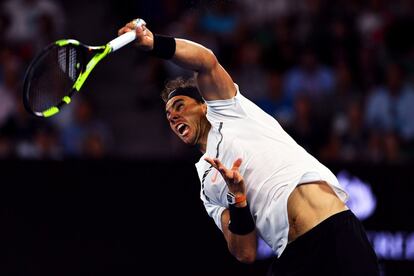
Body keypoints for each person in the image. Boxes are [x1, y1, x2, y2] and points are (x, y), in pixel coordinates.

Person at [118, 19, 380, 275]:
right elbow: (245, 252)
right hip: (292, 257)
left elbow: (206, 60)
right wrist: (237, 198)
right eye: (169, 116)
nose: (174, 117)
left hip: (334, 233)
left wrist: (155, 44)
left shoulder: (229, 110)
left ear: (204, 106)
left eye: (180, 106)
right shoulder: (206, 183)